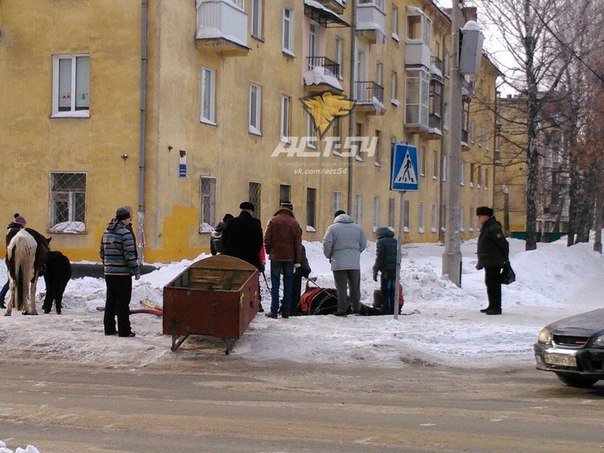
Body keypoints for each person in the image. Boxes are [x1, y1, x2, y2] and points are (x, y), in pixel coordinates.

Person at [100, 207, 140, 337]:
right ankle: (124, 331)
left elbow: (102, 251)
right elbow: (129, 254)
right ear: (126, 218)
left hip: (109, 272)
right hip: (122, 274)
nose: (130, 220)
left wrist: (107, 264)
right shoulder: (125, 233)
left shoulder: (106, 231)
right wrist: (136, 270)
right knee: (123, 302)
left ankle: (109, 328)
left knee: (110, 300)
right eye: (130, 217)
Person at [222, 202, 265, 311]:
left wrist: (230, 252)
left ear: (241, 210)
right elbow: (259, 242)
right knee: (252, 282)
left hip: (234, 259)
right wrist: (253, 252)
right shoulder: (256, 223)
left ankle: (232, 304)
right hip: (251, 259)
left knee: (234, 281)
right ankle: (254, 304)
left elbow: (224, 240)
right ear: (251, 211)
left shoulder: (231, 222)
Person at [323, 212, 367, 316]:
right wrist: (355, 253)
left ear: (336, 218)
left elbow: (326, 244)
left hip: (338, 262)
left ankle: (342, 309)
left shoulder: (332, 228)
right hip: (354, 263)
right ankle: (356, 308)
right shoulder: (358, 228)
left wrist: (329, 255)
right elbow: (363, 244)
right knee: (355, 287)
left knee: (341, 287)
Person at [263, 201, 302, 319]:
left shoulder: (273, 221)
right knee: (288, 284)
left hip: (275, 257)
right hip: (289, 257)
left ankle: (273, 311)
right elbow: (298, 243)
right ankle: (286, 311)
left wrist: (270, 251)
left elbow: (267, 239)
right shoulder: (294, 223)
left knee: (275, 284)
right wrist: (297, 260)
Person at [476, 206, 509, 315]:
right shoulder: (487, 227)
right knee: (490, 283)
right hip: (489, 260)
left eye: (480, 216)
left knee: (494, 283)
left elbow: (503, 243)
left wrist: (504, 258)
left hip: (494, 260)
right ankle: (492, 305)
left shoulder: (493, 227)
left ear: (486, 216)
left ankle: (496, 307)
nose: (479, 218)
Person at [1, 213, 28, 309]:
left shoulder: (11, 230)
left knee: (13, 280)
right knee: (11, 280)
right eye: (24, 224)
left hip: (10, 258)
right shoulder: (16, 232)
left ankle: (13, 300)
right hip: (13, 259)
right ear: (20, 224)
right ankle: (1, 298)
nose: (25, 226)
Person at [372, 226, 398, 315]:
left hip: (386, 269)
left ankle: (386, 309)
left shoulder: (381, 242)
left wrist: (375, 270)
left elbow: (380, 257)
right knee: (392, 290)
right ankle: (393, 309)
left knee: (385, 290)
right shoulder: (395, 241)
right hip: (395, 269)